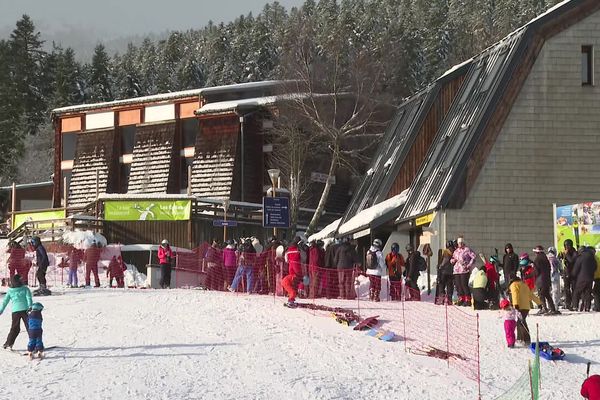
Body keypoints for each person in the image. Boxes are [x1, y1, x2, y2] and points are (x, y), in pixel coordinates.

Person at [0, 274, 32, 350]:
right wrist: (30, 306)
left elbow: (5, 302)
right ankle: (35, 343)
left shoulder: (10, 291)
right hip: (25, 310)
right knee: (30, 327)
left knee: (15, 328)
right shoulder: (25, 289)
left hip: (15, 311)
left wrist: (1, 310)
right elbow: (29, 298)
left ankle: (8, 343)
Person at [509, 275, 541, 344]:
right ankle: (520, 338)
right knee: (520, 322)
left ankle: (526, 339)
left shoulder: (514, 285)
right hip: (526, 307)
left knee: (521, 322)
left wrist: (516, 304)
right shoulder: (524, 284)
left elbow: (515, 294)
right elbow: (531, 295)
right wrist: (539, 303)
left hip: (520, 306)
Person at [532, 245, 559, 315]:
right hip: (547, 279)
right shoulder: (545, 258)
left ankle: (544, 308)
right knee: (547, 294)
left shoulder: (537, 260)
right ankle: (552, 308)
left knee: (541, 295)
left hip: (540, 280)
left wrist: (530, 274)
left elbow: (536, 272)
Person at [451, 236, 476, 306]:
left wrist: (468, 265)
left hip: (464, 270)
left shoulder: (467, 250)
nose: (460, 244)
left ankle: (467, 299)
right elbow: (453, 258)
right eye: (459, 243)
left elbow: (473, 257)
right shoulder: (456, 251)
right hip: (456, 270)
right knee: (458, 285)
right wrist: (452, 261)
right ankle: (461, 298)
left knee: (464, 284)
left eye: (461, 243)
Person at [571, 246, 597, 312]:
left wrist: (573, 275)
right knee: (588, 293)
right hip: (590, 278)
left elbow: (576, 268)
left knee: (576, 292)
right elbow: (595, 267)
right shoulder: (592, 257)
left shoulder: (580, 257)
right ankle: (587, 307)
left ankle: (575, 306)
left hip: (581, 278)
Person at [281, 237, 304, 305]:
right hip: (296, 264)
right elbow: (303, 257)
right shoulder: (298, 248)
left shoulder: (288, 249)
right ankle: (298, 293)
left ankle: (292, 294)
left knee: (292, 280)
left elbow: (286, 259)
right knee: (299, 278)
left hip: (290, 265)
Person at [560, 239, 578, 310]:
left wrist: (566, 254)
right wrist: (561, 256)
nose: (567, 247)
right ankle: (567, 304)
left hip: (573, 273)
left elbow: (571, 261)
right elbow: (560, 259)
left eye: (568, 245)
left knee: (574, 289)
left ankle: (574, 304)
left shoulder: (575, 252)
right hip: (566, 273)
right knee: (566, 289)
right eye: (565, 245)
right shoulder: (564, 252)